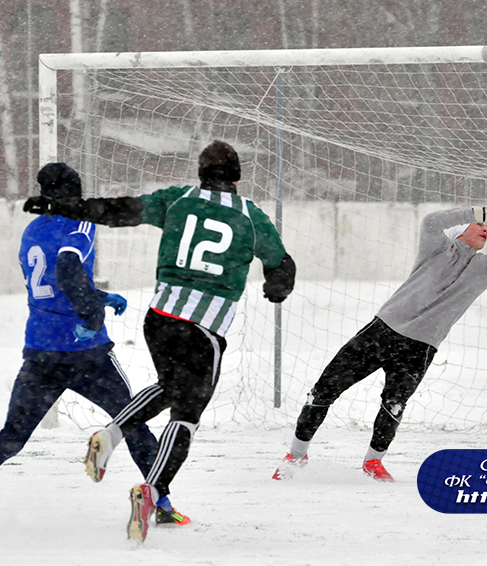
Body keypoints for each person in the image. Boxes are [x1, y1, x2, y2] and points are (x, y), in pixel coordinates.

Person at [23, 140, 296, 543]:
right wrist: (277, 288)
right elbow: (281, 264)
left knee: (170, 386)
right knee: (185, 414)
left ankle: (111, 434)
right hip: (204, 326)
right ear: (236, 178)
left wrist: (60, 206)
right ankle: (150, 491)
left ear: (200, 175)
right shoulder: (250, 216)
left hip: (160, 318)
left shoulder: (177, 200)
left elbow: (117, 210)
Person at [272, 190, 487, 483]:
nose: (486, 229)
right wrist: (480, 211)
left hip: (419, 348)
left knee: (393, 405)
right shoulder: (435, 248)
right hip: (382, 331)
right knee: (325, 389)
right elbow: (432, 221)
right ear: (461, 229)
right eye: (480, 225)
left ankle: (373, 462)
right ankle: (295, 456)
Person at [0, 163, 188, 527]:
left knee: (13, 434)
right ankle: (163, 504)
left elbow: (53, 285)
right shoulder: (80, 223)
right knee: (133, 423)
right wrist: (92, 316)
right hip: (87, 354)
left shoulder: (32, 230)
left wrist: (99, 296)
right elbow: (69, 270)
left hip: (41, 351)